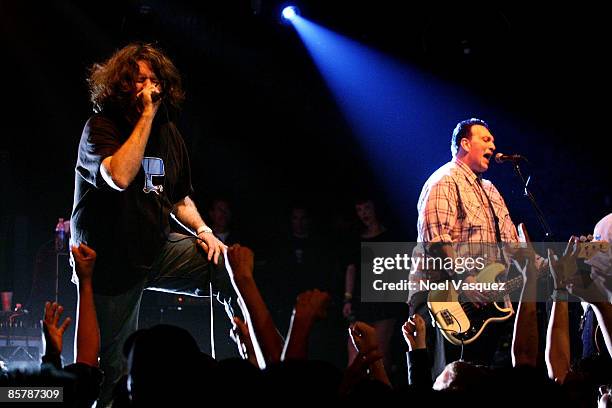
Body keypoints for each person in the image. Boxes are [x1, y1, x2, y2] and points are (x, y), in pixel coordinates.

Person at [70, 43, 234, 406]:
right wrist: (145, 117)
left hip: (155, 250)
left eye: (154, 79)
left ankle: (250, 364)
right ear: (121, 84)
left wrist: (205, 231)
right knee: (113, 375)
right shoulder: (100, 127)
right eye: (139, 79)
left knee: (231, 267)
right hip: (109, 264)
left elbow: (178, 198)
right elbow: (119, 177)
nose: (149, 86)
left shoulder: (169, 133)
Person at [410, 118, 522, 376]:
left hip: (489, 307)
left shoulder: (491, 190)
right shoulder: (444, 180)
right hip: (447, 302)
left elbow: (511, 245)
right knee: (448, 380)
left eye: (493, 141)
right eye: (486, 139)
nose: (493, 146)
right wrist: (466, 280)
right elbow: (437, 241)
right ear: (464, 143)